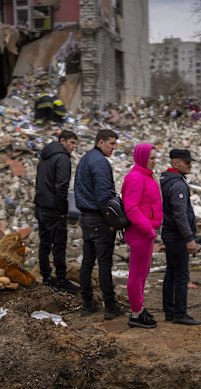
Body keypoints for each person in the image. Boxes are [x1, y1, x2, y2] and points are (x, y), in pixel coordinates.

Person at [74, 129, 123, 319]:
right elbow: (104, 196)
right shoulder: (100, 163)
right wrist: (112, 222)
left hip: (86, 217)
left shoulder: (86, 159)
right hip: (98, 218)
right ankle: (110, 306)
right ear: (100, 142)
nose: (114, 148)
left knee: (87, 262)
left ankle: (87, 304)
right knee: (104, 263)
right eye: (111, 144)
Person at [121, 144, 163, 328]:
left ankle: (138, 308)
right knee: (137, 274)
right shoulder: (136, 178)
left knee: (142, 273)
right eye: (151, 158)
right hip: (140, 233)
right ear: (142, 158)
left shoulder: (146, 176)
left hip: (145, 232)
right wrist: (147, 228)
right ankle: (136, 314)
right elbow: (131, 207)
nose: (154, 162)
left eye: (155, 158)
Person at [34, 130, 80, 294]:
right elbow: (61, 186)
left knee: (45, 243)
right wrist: (62, 209)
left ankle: (46, 277)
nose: (74, 146)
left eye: (75, 143)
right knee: (59, 244)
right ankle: (60, 279)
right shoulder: (62, 159)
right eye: (71, 142)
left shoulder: (44, 157)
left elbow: (39, 182)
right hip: (53, 208)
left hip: (41, 205)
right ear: (62, 141)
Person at [159, 149, 201, 325]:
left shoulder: (167, 179)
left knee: (171, 272)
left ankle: (170, 311)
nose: (190, 164)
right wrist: (189, 238)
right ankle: (180, 313)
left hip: (170, 234)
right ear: (176, 163)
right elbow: (180, 215)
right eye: (186, 162)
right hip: (177, 236)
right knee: (181, 275)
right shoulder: (177, 184)